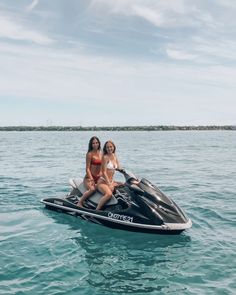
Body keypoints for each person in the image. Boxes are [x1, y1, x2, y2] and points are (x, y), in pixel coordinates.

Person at [96, 140, 122, 211]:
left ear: (114, 147)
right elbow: (104, 172)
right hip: (103, 182)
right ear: (105, 149)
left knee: (124, 186)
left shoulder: (114, 155)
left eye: (111, 147)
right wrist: (109, 184)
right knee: (109, 194)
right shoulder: (105, 157)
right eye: (107, 147)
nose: (109, 148)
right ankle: (97, 210)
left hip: (111, 181)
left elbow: (119, 167)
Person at [78, 136, 102, 207]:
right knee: (92, 189)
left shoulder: (101, 153)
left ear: (99, 143)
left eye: (97, 143)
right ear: (91, 145)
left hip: (99, 178)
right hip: (89, 178)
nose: (95, 144)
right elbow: (87, 168)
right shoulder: (89, 154)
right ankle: (80, 202)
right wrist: (91, 179)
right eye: (93, 143)